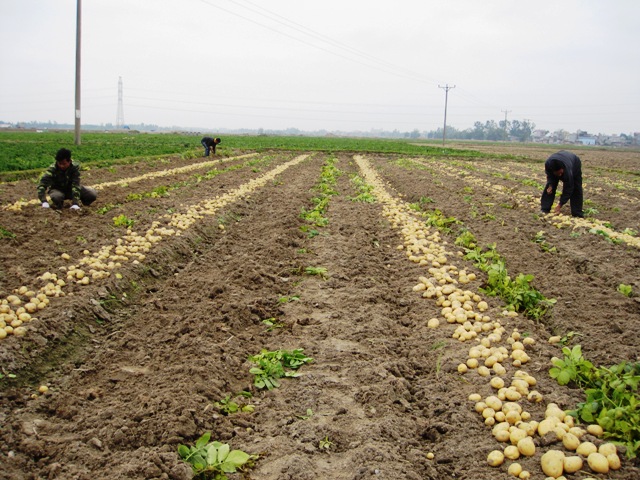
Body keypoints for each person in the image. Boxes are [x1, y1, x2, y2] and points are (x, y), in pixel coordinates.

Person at [540, 150, 584, 218]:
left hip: (574, 162)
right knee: (549, 188)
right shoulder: (548, 165)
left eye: (561, 173)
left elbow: (568, 188)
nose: (560, 175)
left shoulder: (567, 170)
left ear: (563, 168)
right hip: (561, 159)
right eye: (558, 174)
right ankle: (545, 209)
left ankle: (577, 213)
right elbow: (550, 177)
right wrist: (551, 185)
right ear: (553, 171)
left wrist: (560, 204)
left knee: (576, 188)